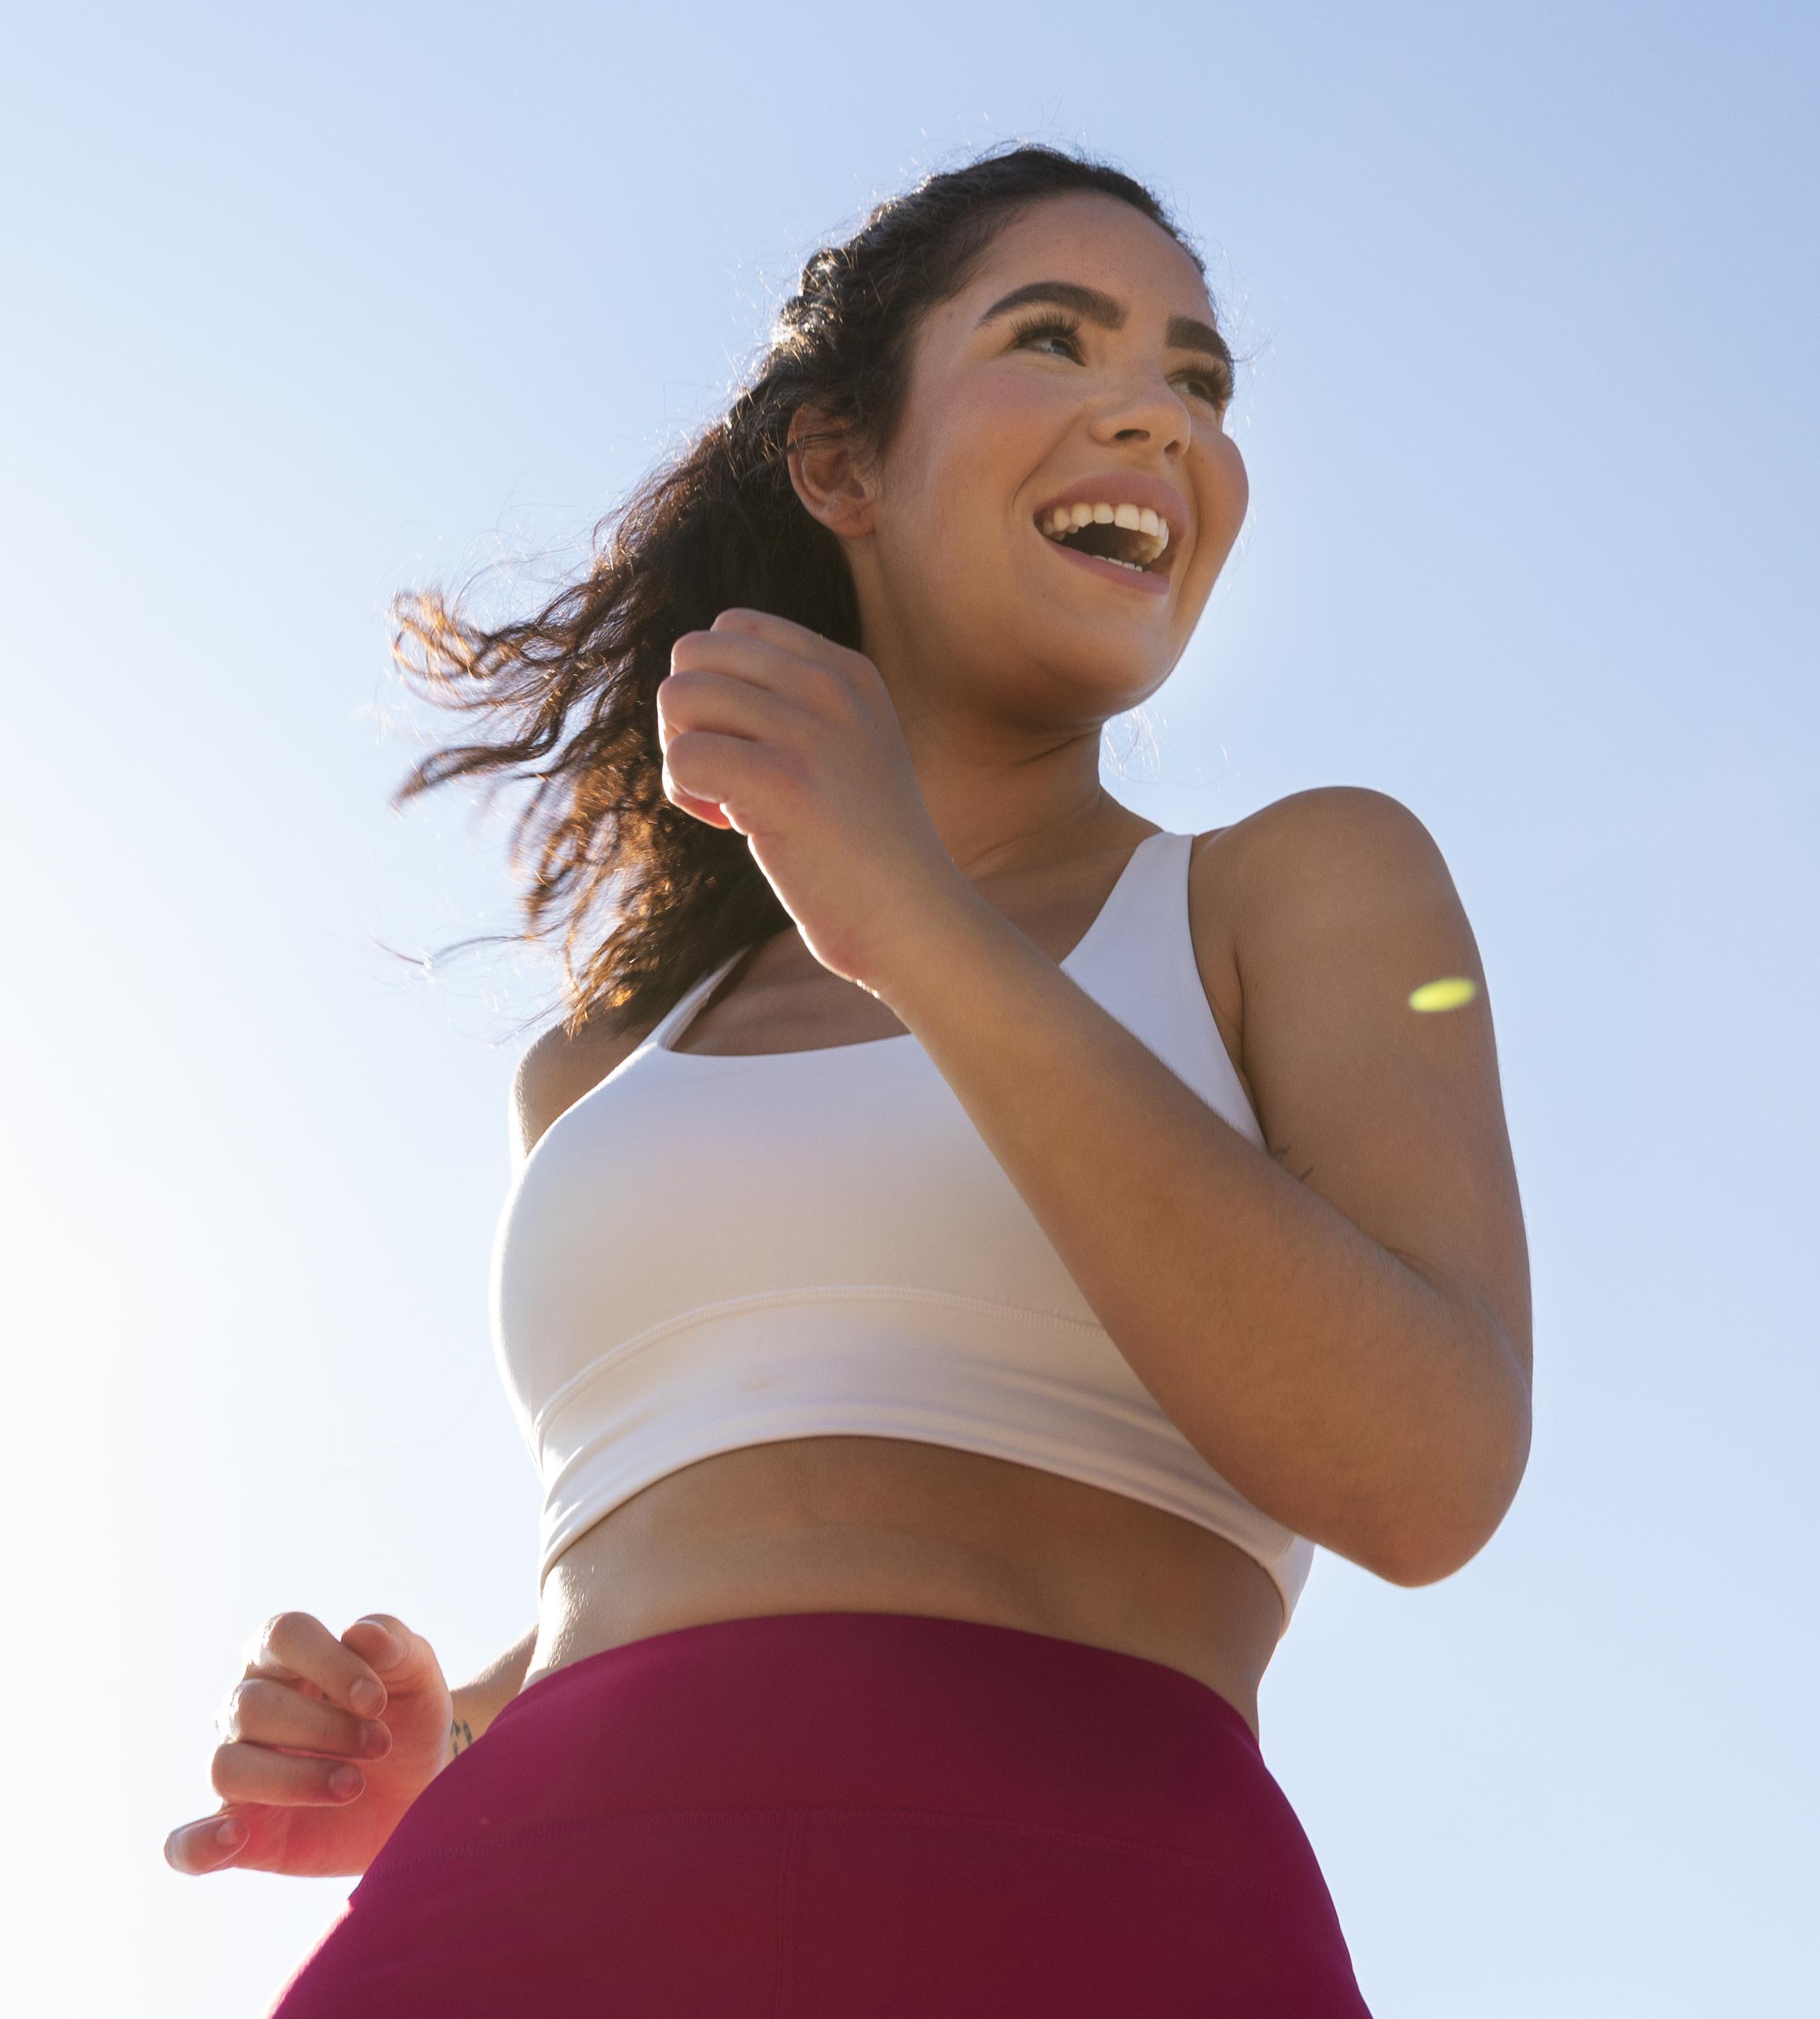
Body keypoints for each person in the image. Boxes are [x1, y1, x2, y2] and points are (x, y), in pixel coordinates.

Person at [162, 144, 1532, 2016]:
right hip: (512, 1912)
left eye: (1198, 383)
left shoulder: (1299, 885)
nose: (1155, 413)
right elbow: (701, 1523)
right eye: (1056, 337)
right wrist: (445, 1737)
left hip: (1093, 1913)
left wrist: (918, 923)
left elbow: (1425, 1468)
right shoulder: (600, 1062)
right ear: (840, 464)